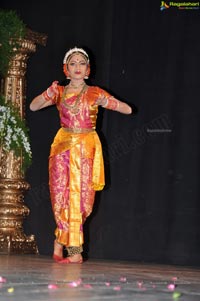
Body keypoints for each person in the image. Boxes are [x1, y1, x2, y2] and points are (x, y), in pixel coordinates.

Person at [30, 46, 132, 264]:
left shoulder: (95, 92)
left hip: (85, 149)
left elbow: (127, 110)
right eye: (73, 63)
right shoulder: (59, 91)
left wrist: (108, 102)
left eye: (81, 63)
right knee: (60, 197)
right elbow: (33, 106)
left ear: (88, 69)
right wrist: (47, 93)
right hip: (62, 148)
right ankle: (74, 251)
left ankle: (60, 240)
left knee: (83, 200)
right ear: (66, 69)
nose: (77, 67)